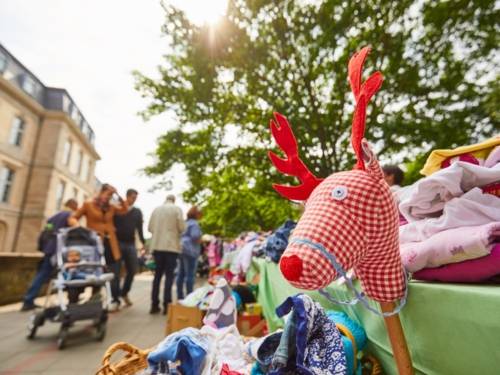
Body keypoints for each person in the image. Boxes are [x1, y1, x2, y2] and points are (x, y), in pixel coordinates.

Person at [69, 184, 128, 311]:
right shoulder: (88, 204)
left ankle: (114, 300)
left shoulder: (111, 207)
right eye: (107, 194)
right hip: (94, 243)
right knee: (94, 271)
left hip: (111, 244)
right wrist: (78, 228)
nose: (109, 197)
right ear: (101, 192)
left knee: (114, 273)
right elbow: (73, 218)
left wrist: (118, 195)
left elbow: (124, 209)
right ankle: (93, 297)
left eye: (111, 195)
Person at [21, 199, 78, 311]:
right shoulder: (69, 215)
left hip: (49, 249)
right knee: (68, 273)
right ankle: (71, 299)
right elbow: (77, 229)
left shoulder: (53, 217)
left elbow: (46, 233)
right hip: (58, 250)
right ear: (74, 206)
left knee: (42, 274)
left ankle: (28, 300)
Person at [148, 194, 185, 314]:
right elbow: (182, 228)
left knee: (157, 277)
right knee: (169, 276)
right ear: (174, 200)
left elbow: (150, 228)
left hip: (157, 247)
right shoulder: (177, 209)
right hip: (171, 247)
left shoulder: (156, 210)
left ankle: (154, 305)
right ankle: (166, 305)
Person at [113, 188, 146, 306]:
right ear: (127, 196)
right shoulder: (117, 209)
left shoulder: (137, 212)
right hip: (117, 243)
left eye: (136, 198)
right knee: (115, 271)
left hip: (130, 244)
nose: (134, 200)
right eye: (132, 197)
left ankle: (124, 292)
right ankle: (115, 298)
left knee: (132, 269)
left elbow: (139, 229)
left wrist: (143, 243)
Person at [176, 206, 203, 300]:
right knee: (190, 275)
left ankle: (180, 295)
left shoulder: (185, 223)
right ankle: (189, 297)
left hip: (181, 249)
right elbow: (195, 236)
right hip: (191, 251)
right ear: (197, 214)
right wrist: (201, 240)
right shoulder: (195, 224)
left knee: (180, 274)